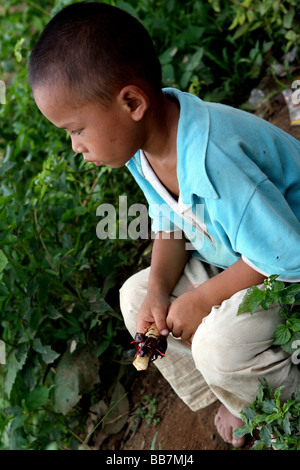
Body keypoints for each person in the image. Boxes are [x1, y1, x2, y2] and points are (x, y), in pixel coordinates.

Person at [28, 1, 300, 448]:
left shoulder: (215, 157)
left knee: (216, 343)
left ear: (131, 102)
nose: (75, 146)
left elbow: (285, 254)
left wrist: (203, 297)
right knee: (136, 295)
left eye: (76, 130)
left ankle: (282, 404)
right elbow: (169, 225)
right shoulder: (144, 148)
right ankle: (233, 390)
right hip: (240, 252)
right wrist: (158, 291)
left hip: (285, 265)